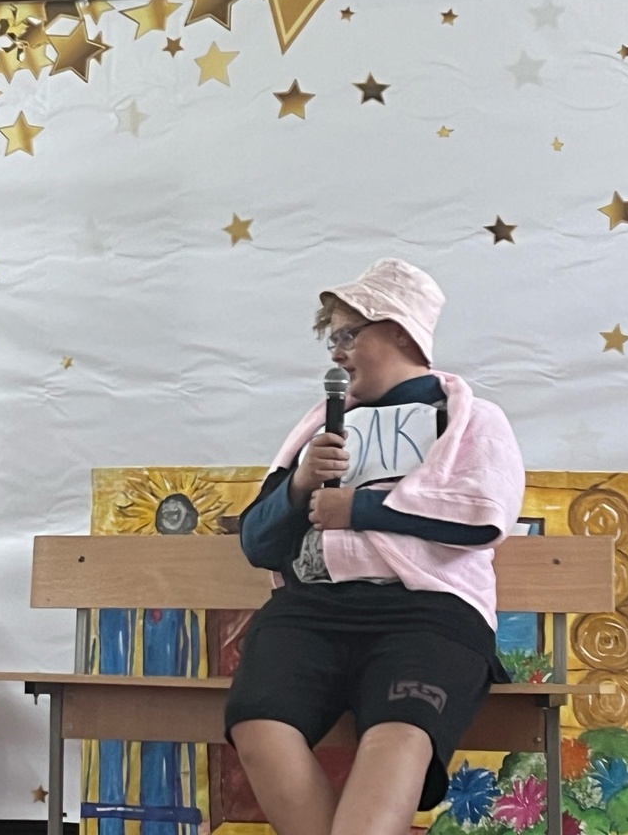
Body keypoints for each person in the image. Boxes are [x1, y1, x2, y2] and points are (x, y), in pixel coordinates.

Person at [224, 258, 525, 835]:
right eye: (332, 341)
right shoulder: (318, 431)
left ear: (399, 331)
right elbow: (257, 542)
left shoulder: (471, 419)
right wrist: (298, 487)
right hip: (311, 612)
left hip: (428, 615)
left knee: (399, 735)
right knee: (258, 723)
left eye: (347, 336)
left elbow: (485, 515)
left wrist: (359, 510)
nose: (336, 354)